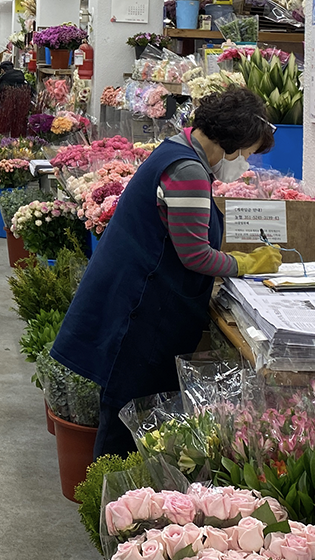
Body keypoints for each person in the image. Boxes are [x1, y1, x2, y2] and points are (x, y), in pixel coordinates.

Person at [51, 87, 280, 456]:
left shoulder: (178, 148)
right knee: (128, 417)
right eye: (249, 153)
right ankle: (113, 503)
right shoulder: (188, 170)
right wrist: (247, 263)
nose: (246, 163)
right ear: (232, 142)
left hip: (141, 298)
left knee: (128, 410)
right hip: (144, 308)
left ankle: (117, 499)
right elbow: (195, 255)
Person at [0, 59, 31, 137]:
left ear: (2, 70)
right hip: (21, 115)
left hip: (7, 115)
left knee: (6, 135)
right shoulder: (21, 78)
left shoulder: (4, 81)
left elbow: (2, 98)